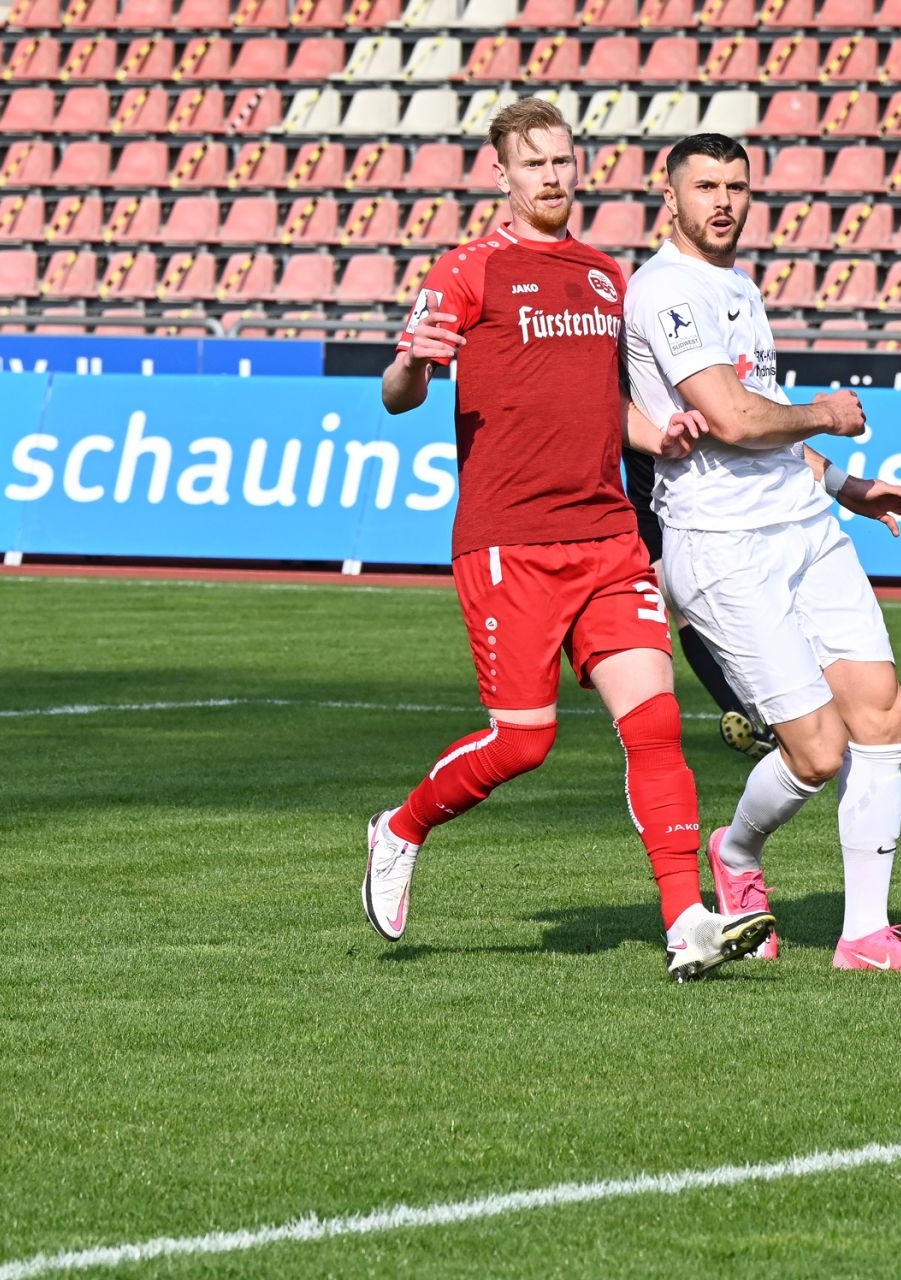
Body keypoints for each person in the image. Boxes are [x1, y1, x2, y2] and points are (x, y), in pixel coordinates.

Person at [360, 100, 773, 982]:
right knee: (523, 743)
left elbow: (604, 402)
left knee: (655, 725)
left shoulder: (602, 275)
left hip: (606, 534)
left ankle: (686, 922)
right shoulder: (467, 269)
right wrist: (411, 363)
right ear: (502, 175)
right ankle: (399, 828)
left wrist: (656, 434)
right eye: (534, 163)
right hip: (510, 540)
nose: (552, 176)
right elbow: (399, 394)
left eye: (563, 160)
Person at [621, 132, 901, 973]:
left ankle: (865, 936)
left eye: (736, 186)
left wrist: (845, 484)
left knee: (883, 711)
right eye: (706, 187)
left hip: (802, 526)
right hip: (724, 545)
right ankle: (735, 855)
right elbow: (734, 419)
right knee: (817, 750)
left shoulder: (737, 284)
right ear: (671, 198)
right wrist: (827, 414)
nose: (723, 202)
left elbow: (762, 422)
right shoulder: (664, 291)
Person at [623, 448, 779, 761]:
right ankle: (771, 720)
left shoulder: (625, 418)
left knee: (687, 616)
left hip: (653, 519)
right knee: (732, 611)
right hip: (692, 516)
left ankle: (743, 713)